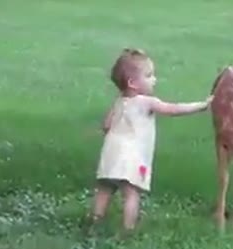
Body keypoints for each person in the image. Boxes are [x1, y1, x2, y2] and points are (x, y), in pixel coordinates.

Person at [83, 48, 213, 234]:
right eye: (149, 75)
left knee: (105, 190)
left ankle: (94, 222)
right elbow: (173, 109)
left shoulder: (119, 101)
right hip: (132, 155)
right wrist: (202, 106)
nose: (154, 79)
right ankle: (127, 230)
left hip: (111, 152)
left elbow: (106, 125)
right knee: (131, 193)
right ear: (133, 83)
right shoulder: (147, 102)